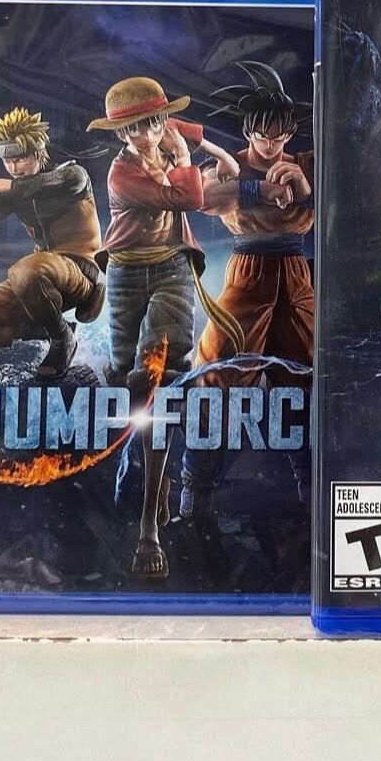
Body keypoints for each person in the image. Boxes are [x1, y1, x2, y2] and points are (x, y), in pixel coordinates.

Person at [86, 76, 242, 580]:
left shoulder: (166, 136)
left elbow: (203, 153)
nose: (149, 131)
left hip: (173, 269)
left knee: (158, 380)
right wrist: (183, 156)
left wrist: (212, 151)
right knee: (126, 381)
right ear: (120, 133)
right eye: (136, 127)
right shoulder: (120, 175)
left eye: (155, 121)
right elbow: (186, 197)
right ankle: (146, 473)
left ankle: (149, 526)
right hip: (127, 272)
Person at [182, 62, 310, 524]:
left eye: (278, 135)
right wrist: (257, 189)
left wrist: (305, 189)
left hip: (296, 274)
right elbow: (201, 196)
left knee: (306, 377)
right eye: (261, 134)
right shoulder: (230, 164)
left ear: (288, 132)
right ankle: (196, 485)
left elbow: (339, 198)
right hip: (247, 273)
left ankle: (309, 481)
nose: (270, 143)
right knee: (216, 374)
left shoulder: (306, 162)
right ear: (249, 130)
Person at [0, 107, 103, 379]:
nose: (14, 168)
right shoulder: (14, 192)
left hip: (80, 273)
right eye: (7, 161)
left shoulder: (72, 175)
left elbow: (45, 185)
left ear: (39, 151)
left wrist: (9, 188)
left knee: (25, 270)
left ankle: (62, 339)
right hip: (37, 284)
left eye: (21, 158)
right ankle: (52, 327)